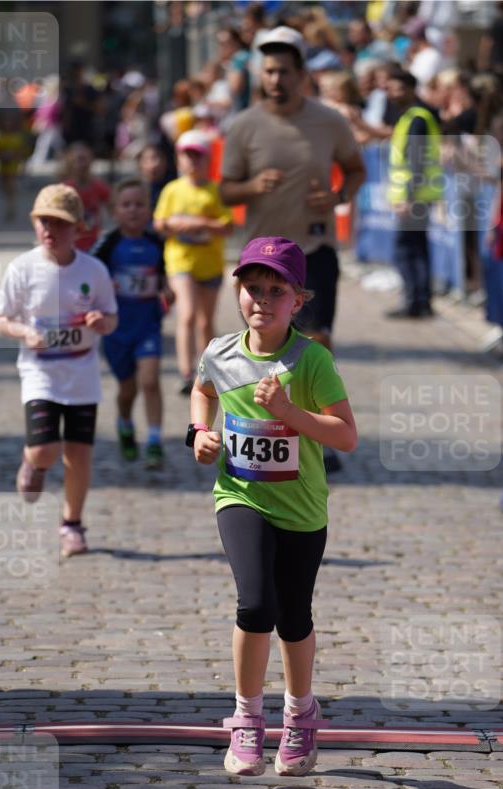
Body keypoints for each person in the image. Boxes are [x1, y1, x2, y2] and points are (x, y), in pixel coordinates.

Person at [188, 236, 357, 777]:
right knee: (255, 604)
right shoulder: (220, 351)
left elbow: (347, 436)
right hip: (240, 495)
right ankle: (245, 720)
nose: (261, 299)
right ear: (237, 291)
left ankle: (301, 715)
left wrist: (289, 411)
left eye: (275, 290)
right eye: (251, 288)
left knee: (293, 616)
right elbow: (202, 390)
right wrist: (198, 433)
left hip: (302, 507)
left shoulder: (311, 360)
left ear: (297, 300)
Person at [219, 25, 365, 472]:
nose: (275, 80)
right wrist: (251, 185)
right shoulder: (244, 126)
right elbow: (225, 191)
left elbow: (356, 169)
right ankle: (272, 429)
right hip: (263, 259)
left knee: (316, 343)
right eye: (268, 72)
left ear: (301, 73)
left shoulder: (328, 121)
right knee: (266, 344)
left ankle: (320, 433)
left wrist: (338, 197)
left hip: (314, 248)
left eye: (283, 71)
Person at [0, 184, 117, 557]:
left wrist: (101, 320)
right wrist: (23, 331)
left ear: (78, 228)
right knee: (46, 448)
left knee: (78, 454)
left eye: (60, 224)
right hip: (40, 372)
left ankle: (72, 524)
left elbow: (112, 318)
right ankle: (33, 462)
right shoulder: (22, 268)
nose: (50, 230)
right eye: (43, 222)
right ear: (34, 224)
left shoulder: (93, 270)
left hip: (82, 372)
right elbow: (1, 318)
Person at [92, 179, 172, 469]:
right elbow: (88, 277)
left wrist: (166, 290)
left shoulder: (156, 243)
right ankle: (125, 423)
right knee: (128, 391)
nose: (133, 211)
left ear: (149, 210)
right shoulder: (108, 243)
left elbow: (163, 276)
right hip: (116, 329)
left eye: (139, 205)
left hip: (147, 325)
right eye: (126, 205)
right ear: (115, 211)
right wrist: (104, 286)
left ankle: (154, 440)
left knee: (150, 381)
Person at [153, 129, 233, 395]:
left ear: (207, 160)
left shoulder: (215, 191)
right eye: (186, 156)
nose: (192, 162)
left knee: (205, 321)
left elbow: (227, 226)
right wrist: (173, 225)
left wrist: (198, 223)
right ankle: (186, 373)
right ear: (178, 160)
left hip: (210, 263)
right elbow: (159, 223)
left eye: (197, 157)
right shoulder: (172, 190)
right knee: (186, 314)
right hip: (180, 261)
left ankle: (207, 370)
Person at [385, 68, 442, 319]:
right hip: (419, 195)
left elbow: (416, 161)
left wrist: (408, 196)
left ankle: (415, 302)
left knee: (408, 250)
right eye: (390, 88)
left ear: (410, 89)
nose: (392, 93)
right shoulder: (411, 116)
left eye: (397, 88)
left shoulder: (417, 118)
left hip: (415, 196)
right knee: (416, 248)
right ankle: (421, 301)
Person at [62, 142, 111, 252]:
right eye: (78, 160)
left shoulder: (100, 187)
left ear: (91, 161)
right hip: (71, 244)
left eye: (84, 159)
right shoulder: (64, 189)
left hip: (93, 243)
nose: (82, 164)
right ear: (71, 163)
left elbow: (114, 210)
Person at [0, 111, 30, 221]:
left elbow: (22, 153)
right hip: (3, 166)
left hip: (13, 166)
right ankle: (9, 203)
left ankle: (11, 206)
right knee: (4, 186)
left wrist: (16, 158)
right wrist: (2, 155)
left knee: (10, 185)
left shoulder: (17, 138)